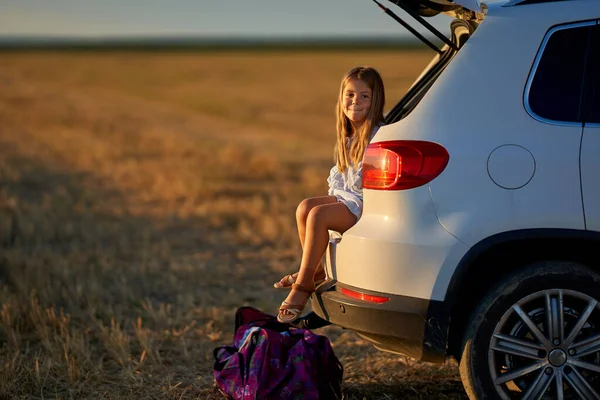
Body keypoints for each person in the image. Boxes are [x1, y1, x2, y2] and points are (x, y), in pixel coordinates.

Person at [274, 66, 386, 323]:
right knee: (304, 207)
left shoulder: (377, 133)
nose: (355, 101)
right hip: (349, 198)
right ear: (341, 98)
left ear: (375, 99)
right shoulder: (348, 135)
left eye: (364, 96)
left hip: (366, 203)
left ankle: (302, 286)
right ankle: (316, 272)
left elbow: (360, 190)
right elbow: (343, 183)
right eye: (350, 95)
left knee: (318, 216)